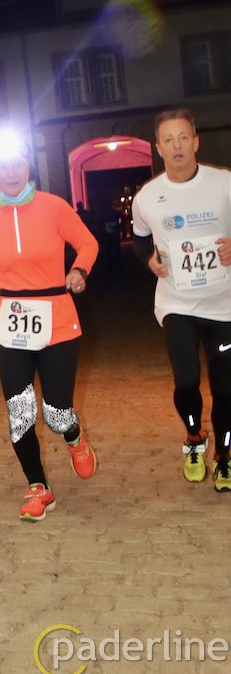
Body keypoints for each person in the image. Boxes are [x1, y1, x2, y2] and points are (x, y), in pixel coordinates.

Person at [0, 131, 99, 522]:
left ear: (29, 166)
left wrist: (79, 271)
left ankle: (74, 436)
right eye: (2, 166)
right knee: (20, 411)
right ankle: (38, 487)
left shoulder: (54, 207)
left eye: (17, 164)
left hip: (57, 319)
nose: (10, 172)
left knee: (56, 412)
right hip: (12, 324)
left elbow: (88, 244)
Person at [131, 107, 231, 491]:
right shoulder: (147, 197)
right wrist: (149, 261)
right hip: (177, 304)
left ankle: (225, 455)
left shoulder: (223, 183)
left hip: (223, 305)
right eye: (169, 140)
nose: (177, 146)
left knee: (226, 388)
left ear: (196, 141)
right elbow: (140, 239)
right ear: (158, 148)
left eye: (184, 137)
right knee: (187, 380)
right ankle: (194, 437)